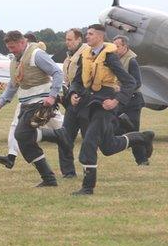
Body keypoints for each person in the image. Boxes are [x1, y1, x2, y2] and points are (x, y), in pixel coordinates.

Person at [65, 24, 153, 195]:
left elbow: (130, 82)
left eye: (90, 34)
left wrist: (116, 101)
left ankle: (87, 187)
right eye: (86, 34)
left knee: (89, 142)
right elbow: (76, 80)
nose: (87, 36)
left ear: (99, 37)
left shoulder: (110, 57)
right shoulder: (85, 55)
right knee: (108, 147)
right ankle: (141, 138)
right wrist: (73, 93)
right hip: (88, 105)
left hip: (104, 107)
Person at [0, 31, 70, 187]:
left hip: (40, 102)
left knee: (21, 134)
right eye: (8, 47)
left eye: (13, 47)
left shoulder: (36, 54)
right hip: (26, 104)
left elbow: (57, 72)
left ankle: (49, 175)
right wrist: (0, 103)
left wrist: (52, 96)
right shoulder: (15, 60)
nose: (11, 50)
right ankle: (49, 175)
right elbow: (13, 85)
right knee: (24, 138)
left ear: (22, 42)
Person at [55, 28, 91, 178]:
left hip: (87, 103)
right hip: (71, 102)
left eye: (70, 40)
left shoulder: (88, 54)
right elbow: (70, 81)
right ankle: (68, 172)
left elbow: (88, 80)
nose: (67, 42)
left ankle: (89, 169)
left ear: (79, 40)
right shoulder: (69, 56)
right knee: (64, 137)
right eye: (66, 39)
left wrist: (79, 95)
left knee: (90, 139)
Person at [113, 35, 148, 165]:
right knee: (116, 130)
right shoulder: (115, 60)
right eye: (113, 45)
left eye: (117, 46)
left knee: (132, 130)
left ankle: (142, 160)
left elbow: (137, 83)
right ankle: (146, 139)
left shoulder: (131, 61)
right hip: (121, 100)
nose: (115, 49)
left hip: (133, 101)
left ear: (125, 47)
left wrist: (120, 88)